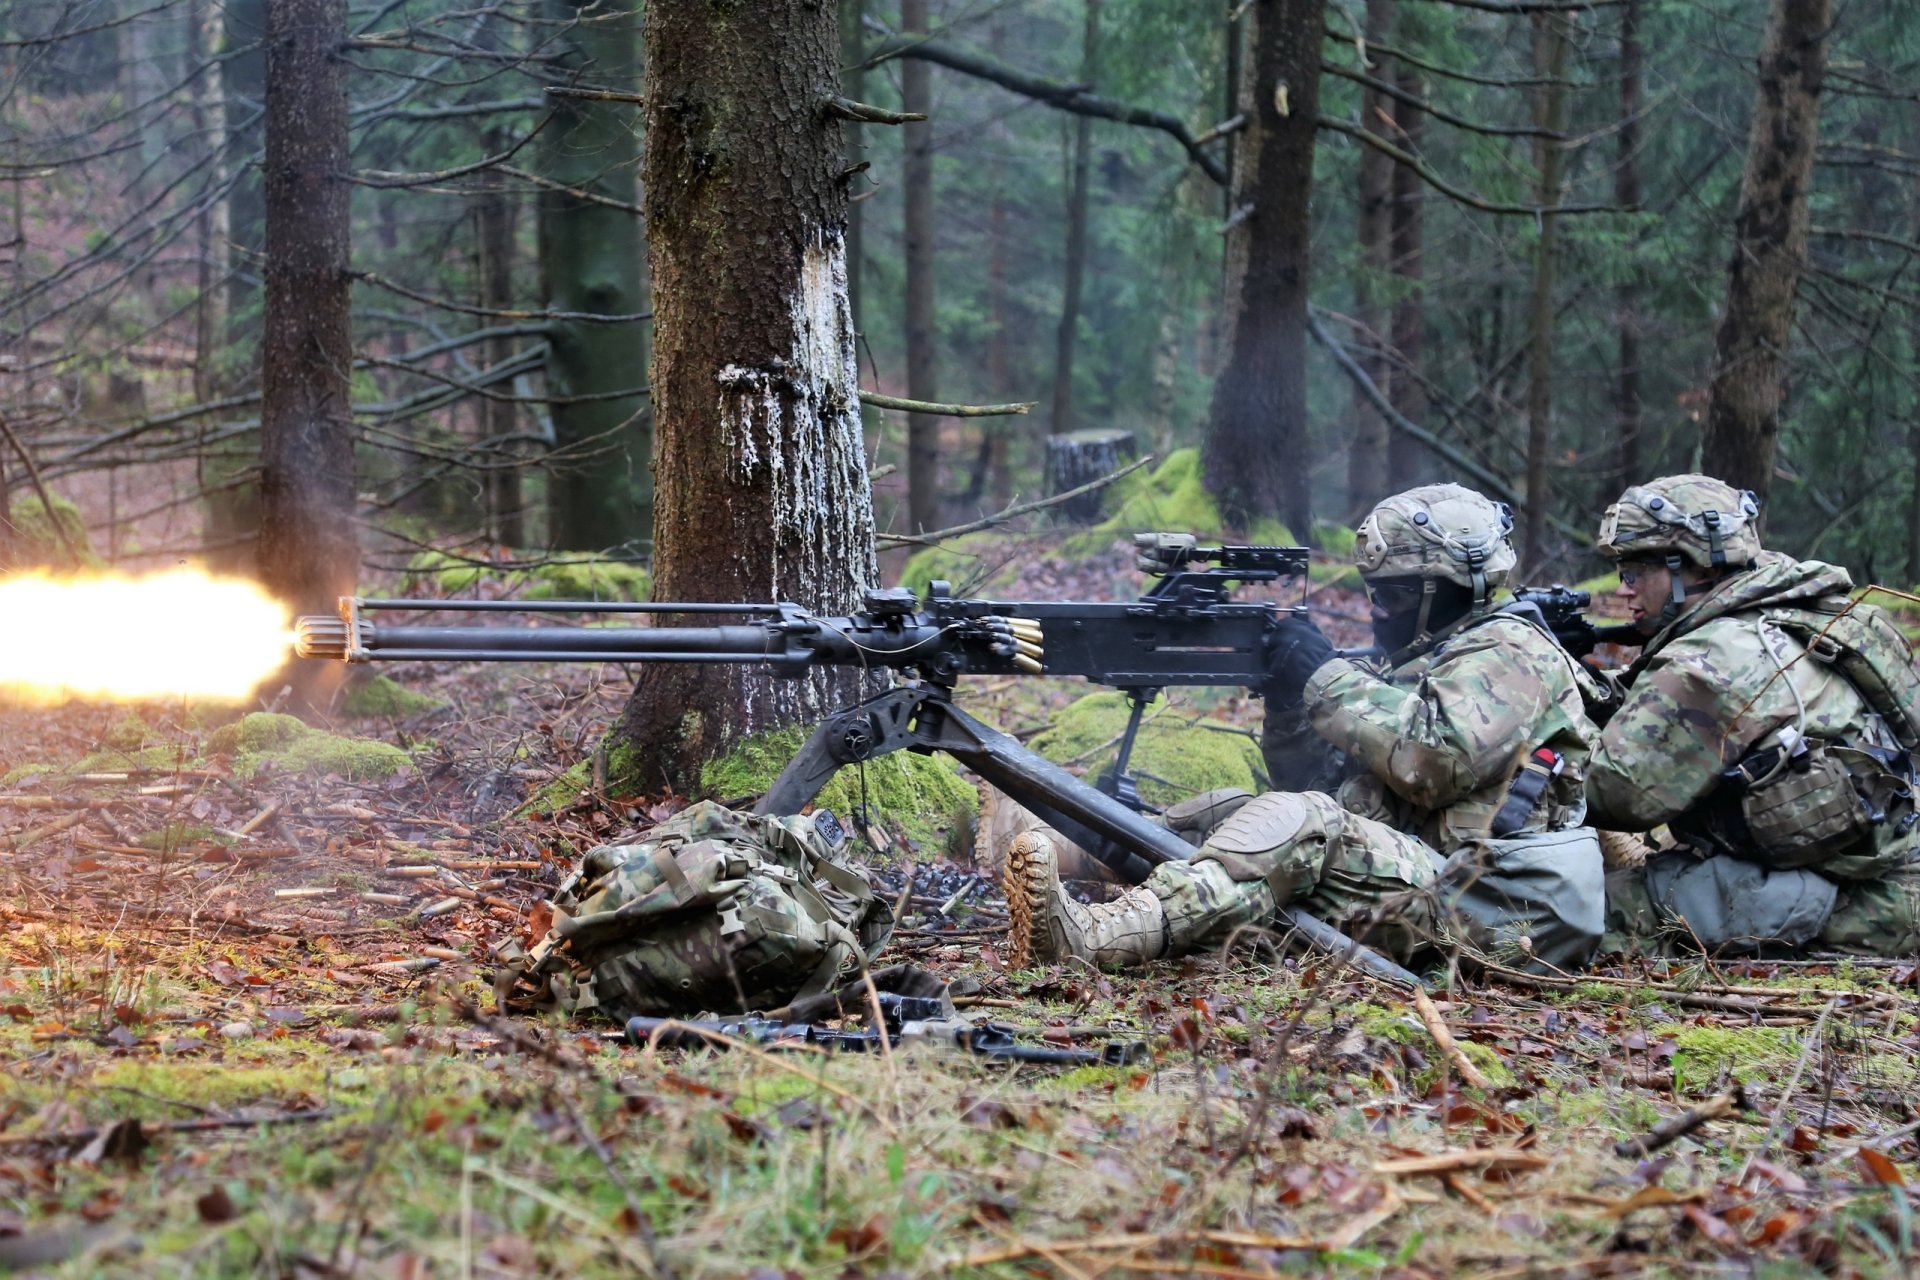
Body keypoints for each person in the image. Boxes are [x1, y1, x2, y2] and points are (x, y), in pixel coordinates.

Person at [1004, 483, 1607, 975]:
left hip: (1495, 903)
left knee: (1301, 826)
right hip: (1432, 873)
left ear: (1451, 590)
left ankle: (1096, 938)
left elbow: (1434, 764)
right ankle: (1069, 851)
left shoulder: (1512, 653)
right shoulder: (1430, 653)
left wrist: (1324, 678)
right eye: (1372, 592)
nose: (1375, 611)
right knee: (1239, 811)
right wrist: (1290, 703)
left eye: (1391, 595)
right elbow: (1315, 782)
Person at [1585, 475, 1920, 956]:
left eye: (1636, 572)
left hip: (1863, 904)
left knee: (1580, 911)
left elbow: (1613, 794)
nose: (1625, 591)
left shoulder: (1712, 657)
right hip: (1892, 866)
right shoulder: (1811, 612)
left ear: (1689, 567)